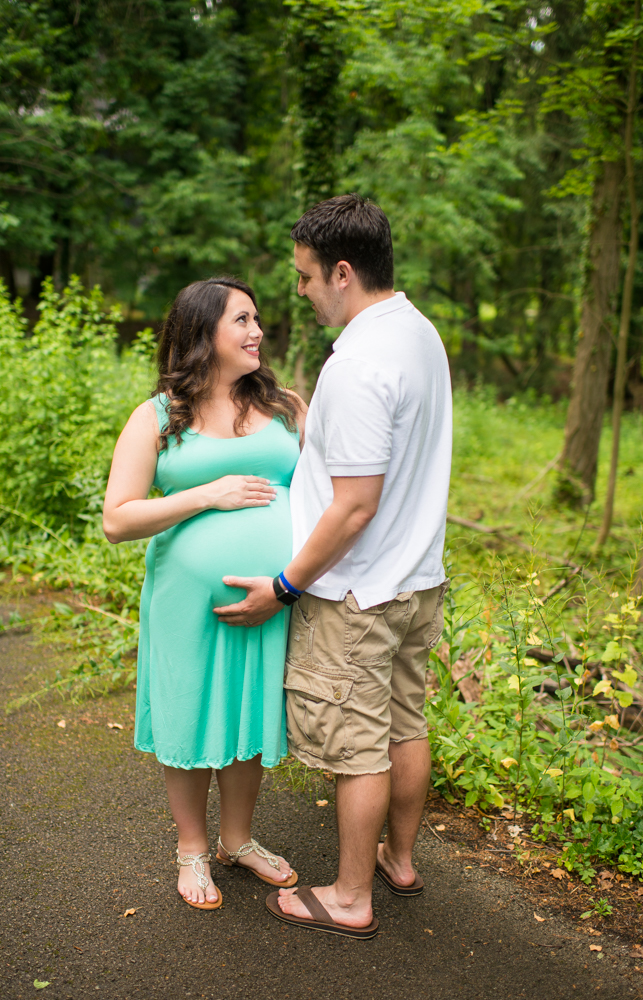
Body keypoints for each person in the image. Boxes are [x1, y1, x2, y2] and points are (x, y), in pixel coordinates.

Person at [214, 194, 452, 939]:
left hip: (357, 592)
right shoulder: (419, 335)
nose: (299, 291)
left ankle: (350, 896)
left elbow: (352, 507)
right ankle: (399, 859)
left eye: (305, 277)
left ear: (342, 271)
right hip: (417, 579)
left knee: (357, 750)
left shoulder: (357, 362)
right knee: (404, 725)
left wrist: (285, 587)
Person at [103, 277, 307, 910]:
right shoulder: (159, 416)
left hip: (273, 596)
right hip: (186, 603)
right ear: (202, 333)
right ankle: (193, 848)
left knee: (250, 710)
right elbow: (118, 519)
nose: (257, 331)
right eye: (242, 320)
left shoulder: (286, 407)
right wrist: (204, 495)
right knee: (192, 711)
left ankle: (238, 840)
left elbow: (324, 495)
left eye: (257, 319)